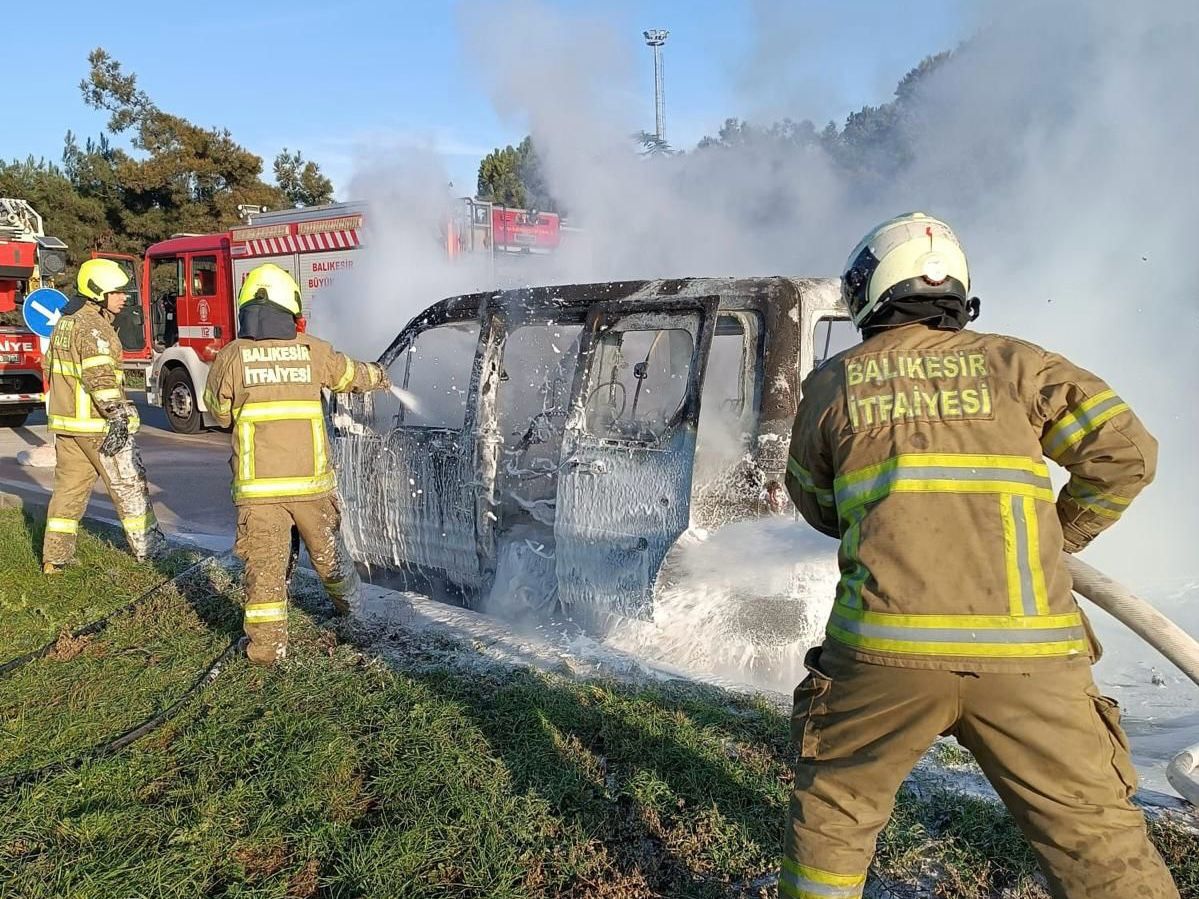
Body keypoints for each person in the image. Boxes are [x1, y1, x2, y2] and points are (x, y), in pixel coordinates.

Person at [782, 212, 1177, 898]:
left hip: (882, 655)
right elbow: (1127, 456)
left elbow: (817, 504)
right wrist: (1061, 531)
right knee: (1097, 846)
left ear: (867, 291)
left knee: (835, 814)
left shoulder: (834, 383)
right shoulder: (1019, 364)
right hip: (1032, 663)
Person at [203, 263, 390, 666]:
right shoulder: (313, 350)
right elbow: (351, 376)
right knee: (331, 558)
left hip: (259, 493)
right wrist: (380, 376)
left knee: (265, 571)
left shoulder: (233, 356)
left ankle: (266, 653)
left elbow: (217, 413)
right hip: (312, 488)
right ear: (291, 308)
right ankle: (354, 615)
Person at [42, 258, 165, 572]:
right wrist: (119, 416)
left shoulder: (65, 323)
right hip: (98, 424)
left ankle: (55, 559)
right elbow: (100, 378)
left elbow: (48, 367)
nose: (124, 297)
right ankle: (150, 554)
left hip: (68, 424)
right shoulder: (94, 327)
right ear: (98, 293)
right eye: (117, 292)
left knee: (68, 490)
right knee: (129, 485)